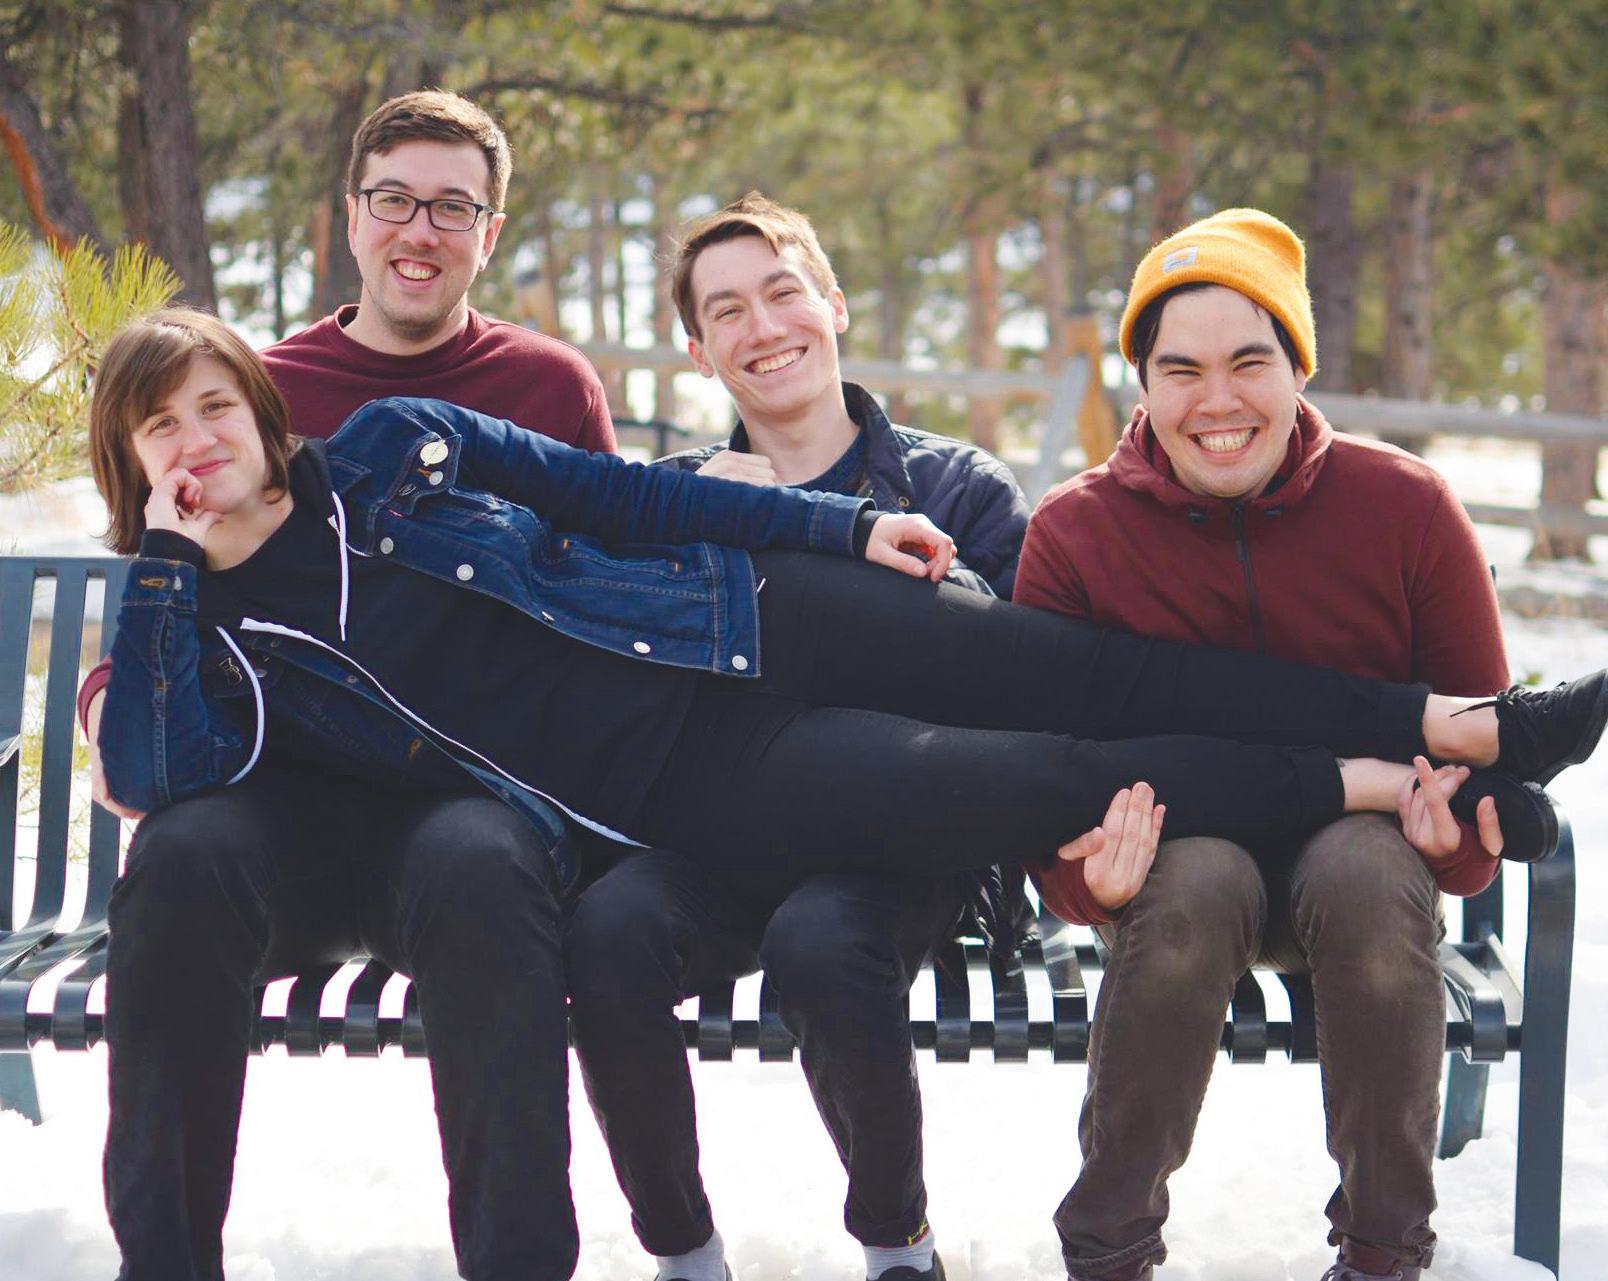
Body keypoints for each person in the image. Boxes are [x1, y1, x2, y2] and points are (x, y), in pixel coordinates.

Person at [83, 91, 613, 1281]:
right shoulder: (259, 387)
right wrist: (110, 697)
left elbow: (600, 595)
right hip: (276, 805)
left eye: (452, 207)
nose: (419, 229)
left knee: (483, 869)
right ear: (353, 215)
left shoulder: (548, 388)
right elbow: (171, 583)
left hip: (465, 798)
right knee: (178, 858)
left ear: (490, 231)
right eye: (394, 200)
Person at [1012, 208, 1577, 1281]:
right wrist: (1086, 883)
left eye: (1249, 362)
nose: (1217, 402)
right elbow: (1043, 780)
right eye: (1180, 370)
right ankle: (1111, 1248)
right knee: (1198, 881)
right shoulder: (1078, 533)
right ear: (1143, 385)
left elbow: (1482, 762)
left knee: (1365, 868)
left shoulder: (1406, 507)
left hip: (1364, 869)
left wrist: (1453, 843)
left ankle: (1381, 1252)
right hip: (1178, 868)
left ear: (1298, 366)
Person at [566, 193, 1032, 1281]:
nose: (763, 326)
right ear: (698, 351)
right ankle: (683, 1254)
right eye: (726, 311)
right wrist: (709, 527)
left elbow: (1018, 682)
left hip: (896, 841)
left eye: (783, 293)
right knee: (611, 928)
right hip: (724, 840)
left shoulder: (958, 487)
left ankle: (898, 1246)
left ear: (835, 306)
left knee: (820, 942)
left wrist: (820, 538)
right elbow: (630, 704)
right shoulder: (674, 499)